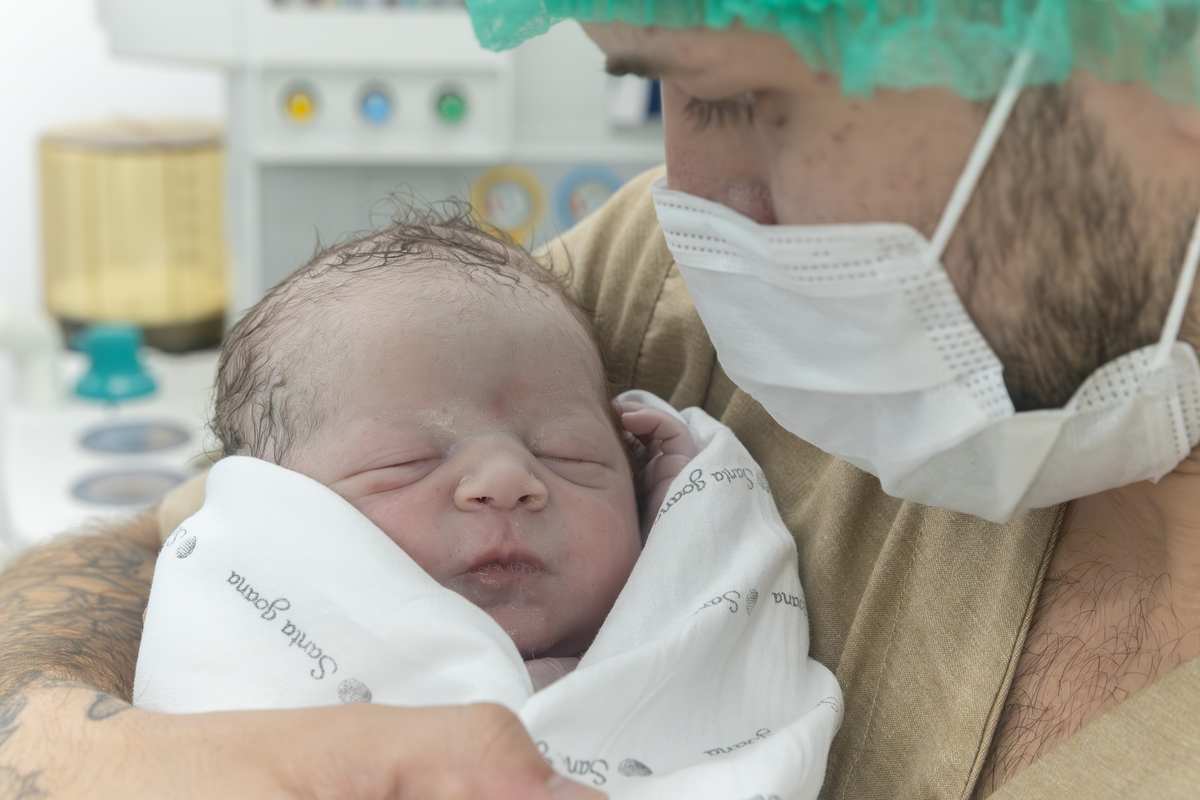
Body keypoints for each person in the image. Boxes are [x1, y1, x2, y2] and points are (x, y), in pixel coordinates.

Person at [1, 1, 1198, 798]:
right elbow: (172, 556)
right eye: (656, 94)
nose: (703, 192)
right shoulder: (669, 283)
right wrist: (99, 755)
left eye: (730, 93)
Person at [133, 215, 842, 800]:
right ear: (282, 515)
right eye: (407, 461)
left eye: (569, 455)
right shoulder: (249, 672)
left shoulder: (686, 668)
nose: (507, 481)